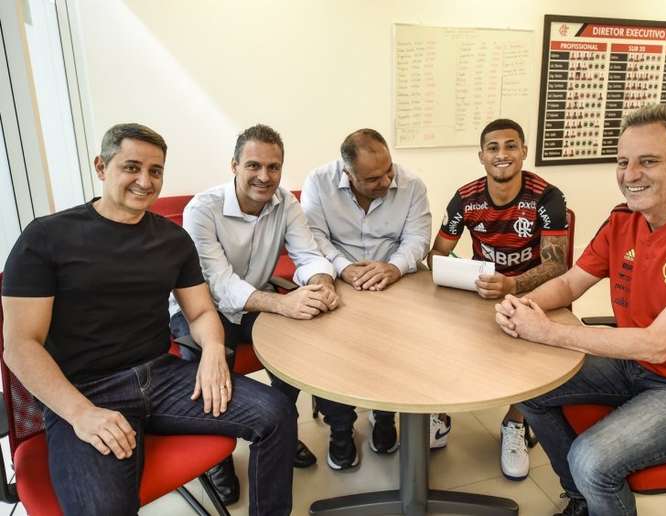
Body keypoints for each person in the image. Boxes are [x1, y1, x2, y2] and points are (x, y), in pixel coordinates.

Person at [1, 123, 296, 516]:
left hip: (161, 378)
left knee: (276, 413)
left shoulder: (172, 240)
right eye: (131, 167)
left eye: (155, 171)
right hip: (87, 393)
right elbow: (21, 347)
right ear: (101, 167)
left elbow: (202, 310)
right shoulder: (45, 239)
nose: (145, 181)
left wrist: (211, 350)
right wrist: (79, 413)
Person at [495, 104, 666, 516]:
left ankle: (591, 487)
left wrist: (547, 331)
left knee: (593, 460)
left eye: (648, 161)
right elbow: (573, 282)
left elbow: (660, 344)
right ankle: (584, 500)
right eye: (623, 162)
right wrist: (523, 306)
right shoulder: (624, 218)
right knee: (531, 387)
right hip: (637, 362)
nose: (630, 175)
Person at [168, 124, 345, 491]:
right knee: (207, 360)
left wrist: (321, 283)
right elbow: (218, 282)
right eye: (253, 165)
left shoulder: (286, 203)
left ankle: (280, 430)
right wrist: (282, 303)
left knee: (301, 339)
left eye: (274, 167)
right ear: (234, 165)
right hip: (202, 307)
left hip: (254, 303)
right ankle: (219, 456)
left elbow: (308, 253)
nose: (265, 177)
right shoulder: (202, 209)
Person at [427, 118, 569, 481]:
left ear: (523, 152)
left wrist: (513, 285)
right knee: (437, 333)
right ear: (481, 156)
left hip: (532, 290)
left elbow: (557, 264)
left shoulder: (548, 196)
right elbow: (438, 253)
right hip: (486, 285)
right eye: (493, 147)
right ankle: (439, 414)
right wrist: (466, 275)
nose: (502, 154)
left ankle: (515, 423)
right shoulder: (466, 197)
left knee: (525, 349)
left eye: (510, 146)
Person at [301, 128, 435, 469]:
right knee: (333, 356)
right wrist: (345, 269)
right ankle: (341, 430)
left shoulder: (412, 185)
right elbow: (312, 237)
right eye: (374, 178)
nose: (386, 181)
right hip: (340, 279)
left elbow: (418, 238)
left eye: (389, 169)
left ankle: (384, 414)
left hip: (395, 281)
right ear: (348, 174)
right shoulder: (319, 182)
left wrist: (394, 267)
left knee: (394, 349)